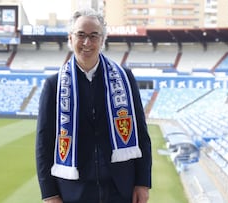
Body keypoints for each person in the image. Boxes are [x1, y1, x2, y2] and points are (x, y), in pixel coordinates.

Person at [36, 8, 152, 203]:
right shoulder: (54, 85)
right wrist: (49, 194)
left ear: (102, 40)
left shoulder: (124, 79)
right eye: (81, 35)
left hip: (120, 190)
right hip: (74, 191)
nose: (87, 43)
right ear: (71, 39)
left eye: (93, 36)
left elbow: (141, 133)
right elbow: (44, 143)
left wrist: (143, 182)